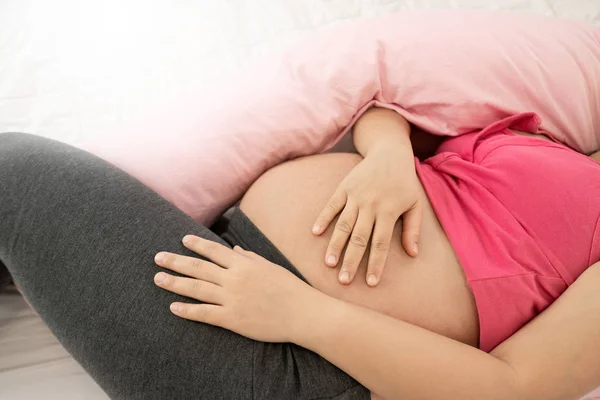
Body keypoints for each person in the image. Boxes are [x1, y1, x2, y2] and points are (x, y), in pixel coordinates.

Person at [0, 106, 599, 400]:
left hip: (301, 367)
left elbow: (515, 387)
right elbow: (389, 115)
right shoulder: (563, 137)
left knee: (11, 173)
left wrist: (299, 314)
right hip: (239, 271)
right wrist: (392, 161)